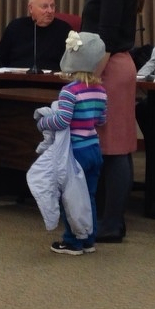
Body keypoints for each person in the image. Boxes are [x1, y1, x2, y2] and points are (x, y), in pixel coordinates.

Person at [80, 0, 145, 243]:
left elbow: (104, 37)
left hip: (111, 69)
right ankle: (107, 219)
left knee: (116, 148)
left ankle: (112, 223)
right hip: (110, 66)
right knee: (108, 145)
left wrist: (90, 77)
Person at [38, 31, 108, 255]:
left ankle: (72, 241)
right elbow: (102, 120)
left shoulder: (69, 91)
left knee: (71, 197)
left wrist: (43, 122)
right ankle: (89, 239)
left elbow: (62, 120)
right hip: (94, 148)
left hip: (74, 152)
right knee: (89, 196)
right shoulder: (100, 90)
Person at [0, 0, 72, 71]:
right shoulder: (15, 27)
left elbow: (71, 65)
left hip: (51, 81)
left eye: (52, 6)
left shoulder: (64, 29)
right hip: (15, 80)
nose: (50, 11)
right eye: (45, 6)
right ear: (31, 8)